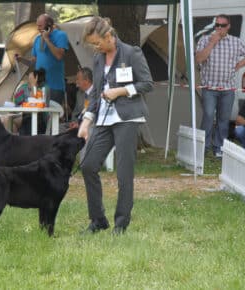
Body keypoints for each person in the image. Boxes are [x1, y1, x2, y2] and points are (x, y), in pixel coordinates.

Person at [78, 17, 153, 235]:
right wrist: (86, 123)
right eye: (93, 44)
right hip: (104, 119)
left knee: (123, 173)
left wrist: (120, 91)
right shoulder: (98, 58)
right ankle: (98, 220)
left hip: (127, 119)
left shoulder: (131, 53)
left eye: (97, 42)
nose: (96, 47)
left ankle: (121, 223)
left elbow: (147, 84)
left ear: (109, 36)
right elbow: (95, 92)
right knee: (88, 165)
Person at [196, 14, 245, 158]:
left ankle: (219, 148)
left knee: (224, 120)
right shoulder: (205, 40)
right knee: (208, 116)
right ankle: (203, 148)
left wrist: (240, 65)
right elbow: (199, 59)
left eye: (222, 25)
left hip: (227, 88)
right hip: (209, 87)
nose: (219, 28)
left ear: (228, 27)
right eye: (216, 25)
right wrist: (212, 43)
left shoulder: (235, 42)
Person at [31, 14, 69, 106]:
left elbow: (59, 56)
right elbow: (34, 62)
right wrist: (20, 60)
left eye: (40, 26)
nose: (38, 28)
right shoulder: (37, 39)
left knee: (52, 117)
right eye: (37, 26)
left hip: (54, 87)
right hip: (39, 86)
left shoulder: (61, 35)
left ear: (49, 25)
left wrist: (47, 39)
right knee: (39, 118)